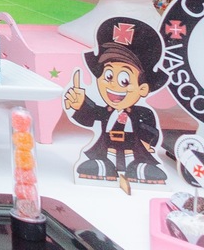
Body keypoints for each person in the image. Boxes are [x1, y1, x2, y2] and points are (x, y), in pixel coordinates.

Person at [64, 17, 168, 188]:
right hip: (107, 150)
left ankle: (140, 168)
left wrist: (146, 140)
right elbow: (90, 116)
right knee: (97, 166)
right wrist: (80, 105)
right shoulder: (106, 110)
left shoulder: (144, 114)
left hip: (134, 153)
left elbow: (152, 133)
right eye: (108, 76)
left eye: (125, 80)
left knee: (143, 168)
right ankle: (104, 166)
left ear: (143, 89)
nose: (112, 85)